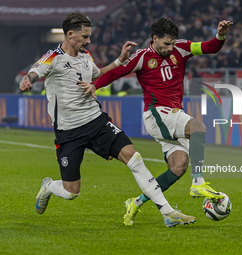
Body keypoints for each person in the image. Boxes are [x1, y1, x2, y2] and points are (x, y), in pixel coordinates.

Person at [19, 13, 195, 228]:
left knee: (134, 158)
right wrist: (28, 80)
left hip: (96, 121)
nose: (88, 41)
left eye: (89, 36)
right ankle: (48, 186)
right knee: (71, 191)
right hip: (69, 130)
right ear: (70, 34)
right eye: (84, 37)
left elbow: (97, 74)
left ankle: (168, 212)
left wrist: (119, 61)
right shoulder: (53, 57)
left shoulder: (86, 56)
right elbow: (36, 72)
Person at [78, 17, 233, 226]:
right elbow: (116, 73)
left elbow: (211, 47)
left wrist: (220, 34)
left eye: (172, 43)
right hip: (157, 113)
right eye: (166, 44)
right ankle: (198, 183)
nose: (170, 48)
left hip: (173, 115)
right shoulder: (142, 57)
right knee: (198, 127)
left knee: (179, 166)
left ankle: (136, 202)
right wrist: (95, 85)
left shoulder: (182, 48)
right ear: (154, 38)